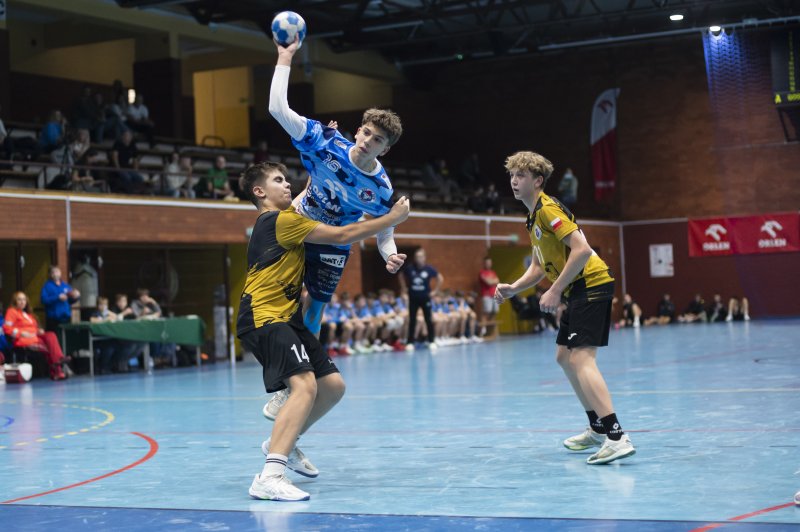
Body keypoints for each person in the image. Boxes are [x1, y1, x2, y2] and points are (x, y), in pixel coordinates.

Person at [237, 161, 410, 501]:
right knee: (304, 386)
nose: (286, 184)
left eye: (286, 179)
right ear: (259, 192)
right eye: (277, 180)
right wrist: (392, 219)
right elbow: (342, 235)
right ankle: (269, 476)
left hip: (288, 318)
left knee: (331, 387)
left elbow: (308, 191)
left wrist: (322, 168)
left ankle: (282, 441)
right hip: (265, 317)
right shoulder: (279, 221)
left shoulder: (287, 216)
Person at [494, 151, 635, 465]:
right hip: (576, 288)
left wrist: (555, 290)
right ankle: (597, 428)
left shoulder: (548, 209)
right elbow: (538, 266)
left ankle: (616, 436)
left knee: (582, 358)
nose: (514, 181)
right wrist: (513, 288)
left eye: (521, 176)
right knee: (563, 357)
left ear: (537, 181)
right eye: (512, 175)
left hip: (591, 283)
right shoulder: (533, 217)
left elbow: (582, 250)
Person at [3, 291, 69, 380]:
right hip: (24, 340)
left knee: (51, 335)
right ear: (15, 301)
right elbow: (7, 328)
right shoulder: (12, 311)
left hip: (35, 336)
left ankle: (58, 360)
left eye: (24, 300)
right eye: (19, 300)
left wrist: (38, 330)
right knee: (48, 348)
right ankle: (57, 370)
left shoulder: (27, 314)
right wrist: (20, 333)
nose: (22, 302)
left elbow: (33, 327)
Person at [398, 247, 443, 352]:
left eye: (421, 256)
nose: (419, 259)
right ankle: (410, 342)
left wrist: (435, 291)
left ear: (424, 258)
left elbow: (440, 278)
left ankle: (431, 341)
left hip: (425, 298)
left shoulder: (429, 269)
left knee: (428, 319)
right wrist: (404, 288)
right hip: (413, 298)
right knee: (412, 320)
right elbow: (400, 275)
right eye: (417, 257)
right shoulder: (410, 268)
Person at [40, 265, 80, 332]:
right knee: (54, 337)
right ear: (50, 274)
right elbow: (43, 300)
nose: (55, 274)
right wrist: (57, 297)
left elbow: (70, 301)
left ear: (60, 273)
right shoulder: (46, 286)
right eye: (53, 272)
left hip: (66, 318)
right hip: (53, 319)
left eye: (57, 271)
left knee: (66, 336)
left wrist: (76, 297)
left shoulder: (65, 286)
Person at [478, 256, 500, 337]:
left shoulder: (493, 272)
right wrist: (492, 281)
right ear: (484, 263)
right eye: (487, 263)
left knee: (494, 311)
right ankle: (482, 329)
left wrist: (492, 281)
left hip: (494, 294)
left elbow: (497, 281)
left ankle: (490, 330)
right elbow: (489, 282)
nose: (488, 264)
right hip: (486, 295)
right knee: (486, 312)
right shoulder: (482, 272)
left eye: (490, 262)